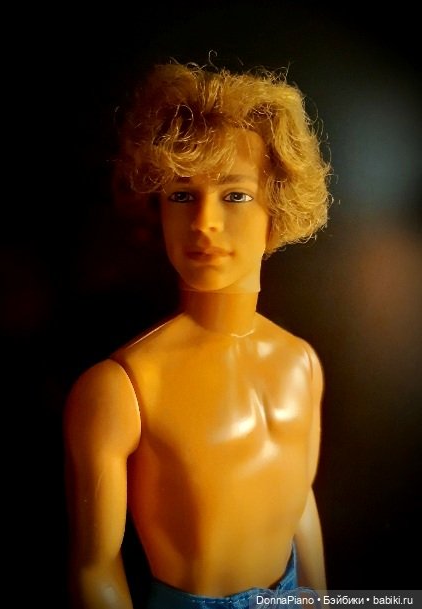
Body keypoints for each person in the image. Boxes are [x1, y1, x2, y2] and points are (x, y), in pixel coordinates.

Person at [64, 60, 332, 609]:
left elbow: (296, 499)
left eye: (235, 195)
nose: (205, 222)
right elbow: (94, 568)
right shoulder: (122, 390)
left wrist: (319, 598)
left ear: (277, 207)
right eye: (182, 195)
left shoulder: (302, 363)